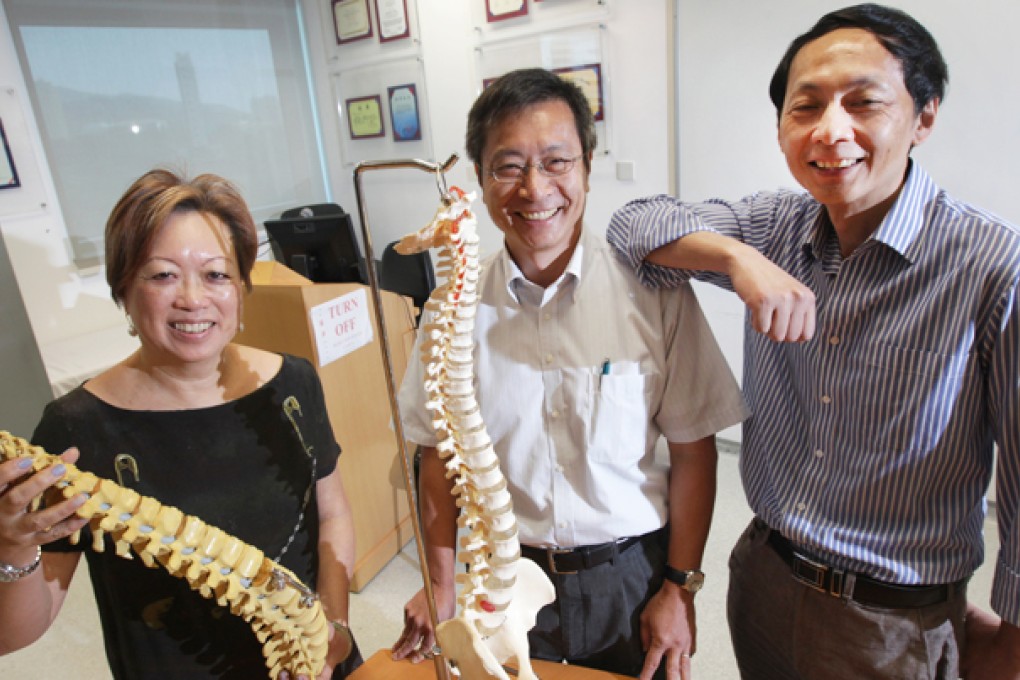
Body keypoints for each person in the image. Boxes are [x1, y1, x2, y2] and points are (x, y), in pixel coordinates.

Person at [608, 5, 1020, 680]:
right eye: (806, 107)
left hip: (894, 624)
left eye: (864, 103)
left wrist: (1014, 635)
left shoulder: (993, 266)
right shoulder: (773, 226)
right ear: (781, 129)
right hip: (764, 581)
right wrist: (738, 261)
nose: (832, 131)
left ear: (924, 116)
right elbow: (633, 225)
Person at [390, 68, 747, 680]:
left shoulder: (653, 292)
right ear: (478, 178)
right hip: (503, 586)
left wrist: (680, 589)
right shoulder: (451, 309)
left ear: (585, 166)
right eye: (508, 166)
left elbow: (694, 450)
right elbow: (433, 460)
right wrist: (441, 581)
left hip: (631, 581)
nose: (535, 189)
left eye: (557, 162)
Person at [0, 169, 364, 679]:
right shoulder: (77, 430)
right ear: (124, 290)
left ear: (242, 289)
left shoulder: (293, 385)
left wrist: (335, 631)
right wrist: (13, 548)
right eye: (162, 274)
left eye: (216, 275)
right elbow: (15, 636)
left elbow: (333, 518)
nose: (193, 299)